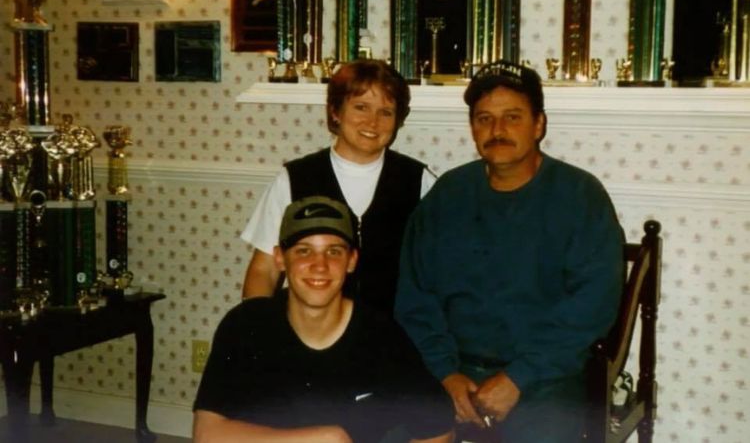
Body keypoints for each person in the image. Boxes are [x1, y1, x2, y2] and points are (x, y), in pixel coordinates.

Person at [394, 60, 625, 442]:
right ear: (472, 128)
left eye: (512, 117)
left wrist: (520, 377)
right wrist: (445, 374)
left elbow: (592, 305)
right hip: (453, 372)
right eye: (484, 118)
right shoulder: (447, 196)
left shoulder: (580, 197)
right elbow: (415, 299)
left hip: (545, 379)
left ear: (539, 124)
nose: (497, 130)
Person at [194, 196, 454, 443]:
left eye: (334, 251)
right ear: (280, 258)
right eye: (304, 251)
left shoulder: (380, 335)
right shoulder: (245, 325)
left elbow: (438, 429)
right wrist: (323, 438)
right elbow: (207, 434)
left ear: (351, 261)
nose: (319, 265)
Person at [240, 59, 435, 314]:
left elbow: (441, 271)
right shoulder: (295, 178)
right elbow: (263, 270)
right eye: (361, 107)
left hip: (393, 337)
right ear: (335, 111)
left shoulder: (419, 181)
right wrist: (254, 333)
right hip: (314, 333)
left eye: (385, 112)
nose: (372, 122)